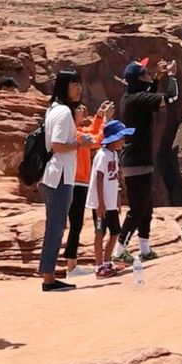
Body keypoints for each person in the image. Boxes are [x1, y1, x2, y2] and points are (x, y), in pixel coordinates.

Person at [113, 57, 179, 264]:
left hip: (138, 160)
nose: (149, 74)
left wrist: (158, 77)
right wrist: (172, 77)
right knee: (138, 209)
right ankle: (119, 250)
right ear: (140, 78)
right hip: (136, 161)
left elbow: (148, 94)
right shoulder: (137, 99)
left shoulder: (131, 97)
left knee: (146, 208)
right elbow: (171, 97)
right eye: (146, 73)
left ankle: (145, 249)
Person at [38, 69, 93, 292]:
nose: (78, 88)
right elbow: (58, 144)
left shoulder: (55, 109)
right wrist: (81, 144)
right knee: (56, 227)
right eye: (73, 84)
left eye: (79, 83)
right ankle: (48, 278)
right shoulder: (62, 112)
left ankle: (48, 274)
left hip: (55, 174)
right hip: (59, 175)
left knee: (56, 226)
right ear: (63, 86)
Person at [63, 100, 112, 278]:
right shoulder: (73, 134)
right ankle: (70, 267)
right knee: (75, 223)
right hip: (75, 182)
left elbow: (92, 132)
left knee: (77, 223)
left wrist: (99, 116)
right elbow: (97, 140)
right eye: (78, 109)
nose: (83, 110)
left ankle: (72, 265)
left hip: (81, 181)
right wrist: (105, 119)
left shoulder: (79, 131)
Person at [86, 120, 132, 279]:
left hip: (111, 202)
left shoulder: (113, 154)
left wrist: (117, 199)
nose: (123, 140)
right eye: (121, 137)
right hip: (101, 203)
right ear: (113, 139)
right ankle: (98, 266)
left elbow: (114, 179)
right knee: (100, 232)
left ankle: (107, 262)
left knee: (115, 232)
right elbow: (99, 179)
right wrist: (101, 204)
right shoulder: (102, 155)